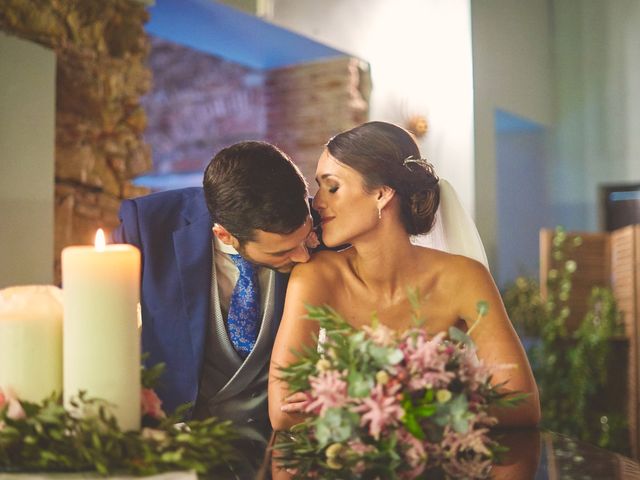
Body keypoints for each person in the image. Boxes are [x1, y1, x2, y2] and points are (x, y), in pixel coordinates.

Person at [268, 121, 541, 432]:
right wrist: (430, 409)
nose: (317, 202)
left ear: (382, 194)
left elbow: (522, 403)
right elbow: (282, 412)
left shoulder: (465, 279)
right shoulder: (315, 277)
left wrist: (379, 407)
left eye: (332, 187)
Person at [112, 141, 316, 444]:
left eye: (306, 236)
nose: (304, 256)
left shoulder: (322, 228)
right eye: (285, 251)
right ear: (225, 235)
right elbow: (84, 310)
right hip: (179, 440)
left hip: (285, 444)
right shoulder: (148, 226)